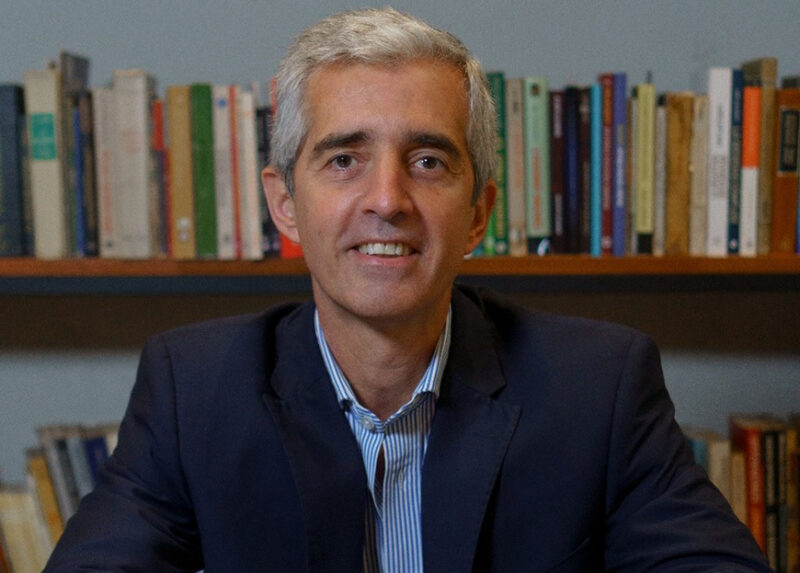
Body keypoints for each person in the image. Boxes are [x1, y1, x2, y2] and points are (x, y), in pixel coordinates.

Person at [46, 7, 770, 572]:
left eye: (427, 161)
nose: (387, 200)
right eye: (344, 159)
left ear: (478, 213)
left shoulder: (600, 387)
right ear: (285, 204)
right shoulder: (194, 390)